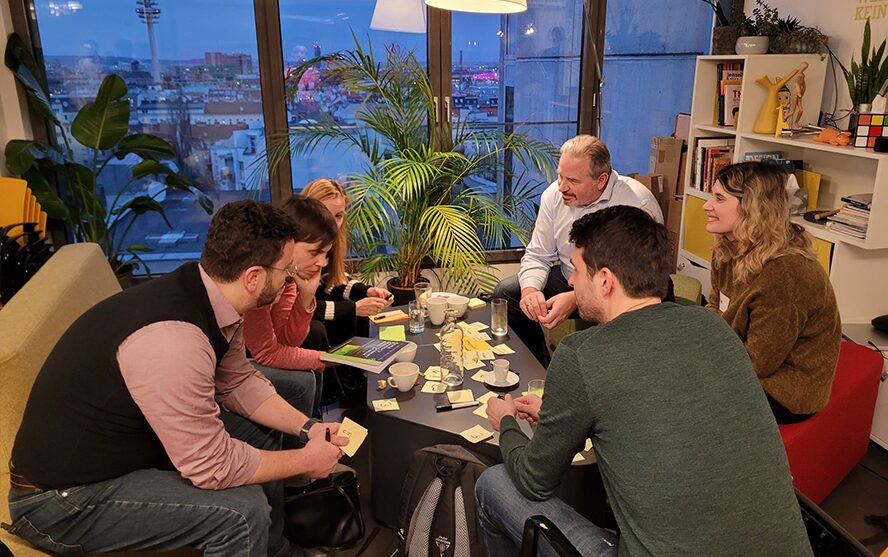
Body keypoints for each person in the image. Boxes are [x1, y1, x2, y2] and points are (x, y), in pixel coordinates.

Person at [7, 200, 346, 557]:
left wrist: (307, 428)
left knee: (256, 431)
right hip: (62, 501)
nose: (289, 276)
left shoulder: (211, 293)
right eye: (285, 269)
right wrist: (305, 461)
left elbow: (237, 383)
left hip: (117, 454)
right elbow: (211, 466)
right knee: (241, 511)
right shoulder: (174, 342)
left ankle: (274, 549)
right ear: (254, 277)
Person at [476, 206, 811, 556]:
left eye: (576, 270)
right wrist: (562, 413)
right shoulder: (712, 326)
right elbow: (662, 400)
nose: (571, 281)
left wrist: (508, 422)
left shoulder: (581, 354)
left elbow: (533, 480)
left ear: (606, 281)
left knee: (494, 483)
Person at [492, 135, 663, 364]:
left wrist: (577, 298)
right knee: (507, 293)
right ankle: (542, 367)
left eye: (572, 180)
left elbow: (639, 281)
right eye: (560, 175)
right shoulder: (554, 194)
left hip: (622, 288)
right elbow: (538, 254)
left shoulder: (637, 204)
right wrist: (530, 292)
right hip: (572, 276)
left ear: (601, 180)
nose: (562, 186)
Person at [703, 161, 840, 424]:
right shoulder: (727, 247)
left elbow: (758, 364)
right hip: (738, 355)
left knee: (683, 393)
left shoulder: (785, 273)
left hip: (787, 388)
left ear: (752, 208)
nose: (707, 205)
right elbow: (715, 306)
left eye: (719, 198)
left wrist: (704, 359)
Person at [243, 196, 338, 430]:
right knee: (303, 380)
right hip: (231, 359)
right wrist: (326, 358)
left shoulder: (288, 276)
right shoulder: (262, 278)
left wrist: (305, 298)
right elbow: (266, 353)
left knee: (311, 373)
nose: (322, 263)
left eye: (325, 254)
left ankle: (312, 440)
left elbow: (288, 339)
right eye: (315, 252)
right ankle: (303, 450)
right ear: (287, 243)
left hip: (252, 352)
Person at [301, 178, 392, 347]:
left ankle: (358, 371)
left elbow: (331, 280)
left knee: (355, 315)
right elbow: (298, 308)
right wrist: (352, 309)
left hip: (315, 315)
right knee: (324, 325)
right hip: (298, 326)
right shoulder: (292, 248)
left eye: (338, 216)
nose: (333, 223)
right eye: (326, 214)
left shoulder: (332, 243)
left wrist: (366, 291)